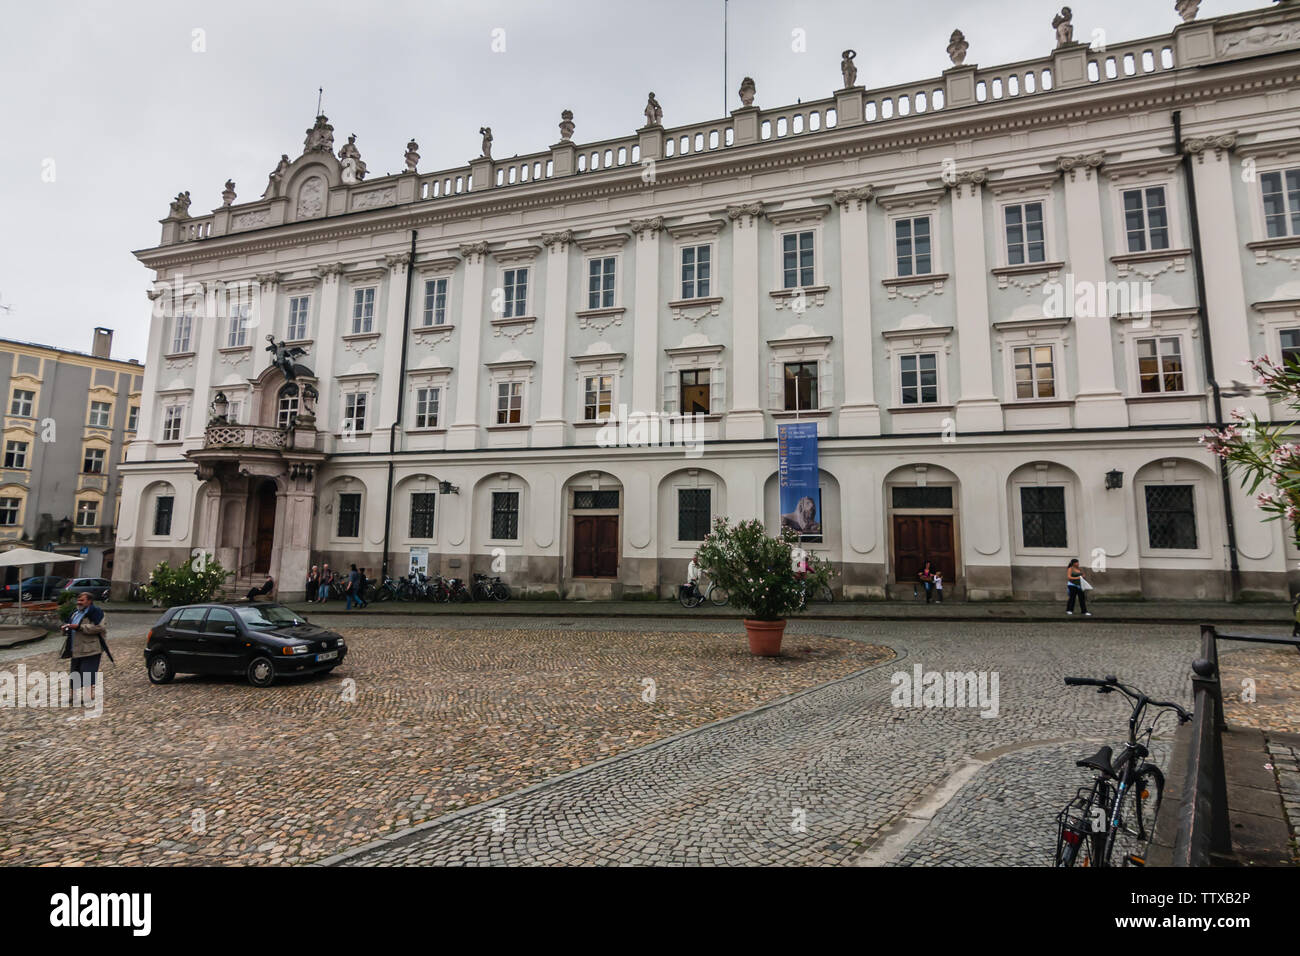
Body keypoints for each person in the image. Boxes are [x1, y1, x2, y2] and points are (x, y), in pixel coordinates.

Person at [59, 592, 113, 705]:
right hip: (76, 648)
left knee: (88, 672)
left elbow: (100, 627)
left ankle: (89, 695)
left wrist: (80, 627)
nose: (79, 602)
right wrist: (66, 629)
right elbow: (70, 624)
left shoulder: (97, 613)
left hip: (91, 647)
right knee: (75, 672)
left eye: (82, 600)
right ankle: (73, 696)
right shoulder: (75, 613)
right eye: (78, 600)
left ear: (89, 601)